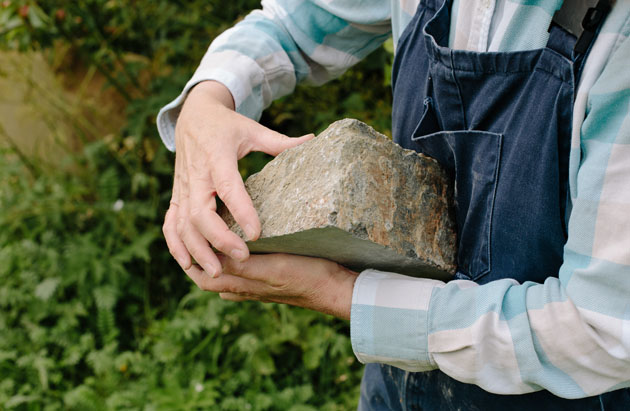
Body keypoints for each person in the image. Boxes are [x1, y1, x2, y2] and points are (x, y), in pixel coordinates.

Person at [157, 0, 630, 409]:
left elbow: (605, 329)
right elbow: (289, 24)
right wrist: (207, 104)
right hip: (395, 386)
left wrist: (342, 294)